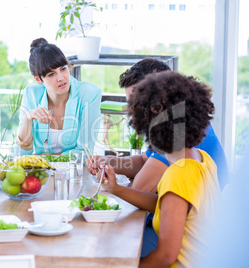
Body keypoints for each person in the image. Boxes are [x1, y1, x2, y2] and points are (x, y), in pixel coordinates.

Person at [99, 71, 221, 267]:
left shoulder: (178, 173)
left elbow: (165, 256)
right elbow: (168, 205)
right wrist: (117, 189)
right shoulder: (201, 160)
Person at [87, 58, 229, 191]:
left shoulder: (179, 132)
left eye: (136, 100)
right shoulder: (179, 118)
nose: (131, 108)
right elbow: (144, 160)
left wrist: (115, 186)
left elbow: (139, 188)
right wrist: (108, 162)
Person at [17, 38, 102, 156]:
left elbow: (84, 152)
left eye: (63, 69)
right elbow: (22, 154)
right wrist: (28, 118)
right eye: (51, 74)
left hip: (75, 173)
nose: (61, 78)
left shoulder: (89, 94)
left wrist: (44, 158)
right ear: (38, 79)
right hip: (41, 173)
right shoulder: (31, 94)